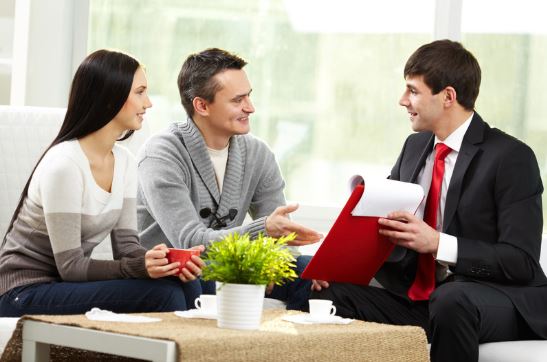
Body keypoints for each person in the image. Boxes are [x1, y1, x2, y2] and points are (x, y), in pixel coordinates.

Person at [311, 39, 547, 362]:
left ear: (448, 96)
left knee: (452, 300)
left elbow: (521, 261)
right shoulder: (414, 148)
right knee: (328, 292)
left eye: (413, 91)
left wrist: (438, 243)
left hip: (499, 300)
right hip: (426, 299)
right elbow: (382, 229)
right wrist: (337, 267)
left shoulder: (511, 158)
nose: (402, 100)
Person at [0, 49, 205, 317]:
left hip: (62, 285)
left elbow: (127, 249)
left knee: (186, 284)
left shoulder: (125, 162)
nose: (149, 103)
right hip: (23, 291)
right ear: (111, 96)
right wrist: (139, 268)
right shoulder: (65, 166)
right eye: (140, 92)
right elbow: (71, 266)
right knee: (163, 294)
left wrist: (163, 261)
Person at [136, 48, 322, 310]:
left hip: (235, 265)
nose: (251, 108)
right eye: (238, 100)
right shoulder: (161, 154)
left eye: (249, 96)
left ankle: (295, 347)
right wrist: (262, 232)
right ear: (201, 105)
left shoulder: (258, 153)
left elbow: (282, 242)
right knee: (205, 278)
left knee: (314, 273)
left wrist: (273, 263)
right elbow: (190, 242)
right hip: (178, 271)